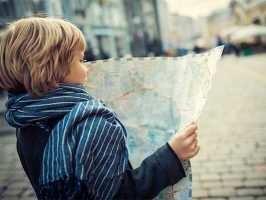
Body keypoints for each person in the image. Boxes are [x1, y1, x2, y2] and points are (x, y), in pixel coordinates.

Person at [0, 17, 200, 199]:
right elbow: (121, 194)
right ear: (53, 66)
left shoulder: (24, 122)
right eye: (80, 60)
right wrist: (172, 155)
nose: (86, 68)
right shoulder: (93, 124)